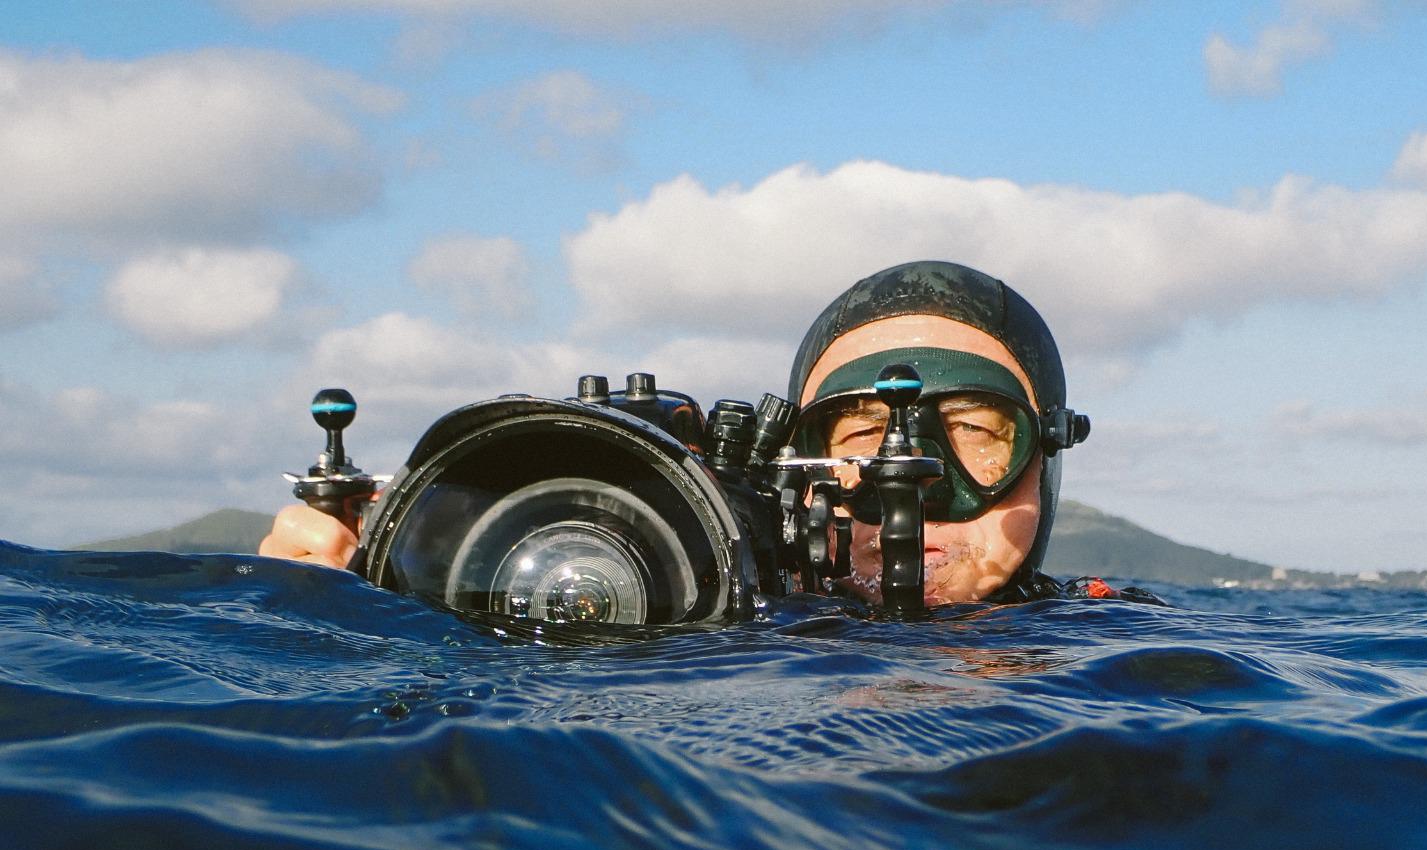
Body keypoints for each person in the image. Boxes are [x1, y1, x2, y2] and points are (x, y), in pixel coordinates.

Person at [259, 259, 1155, 606]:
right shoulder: (737, 614)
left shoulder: (1118, 656)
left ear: (1047, 459)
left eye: (973, 430)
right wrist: (338, 602)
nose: (913, 476)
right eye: (863, 435)